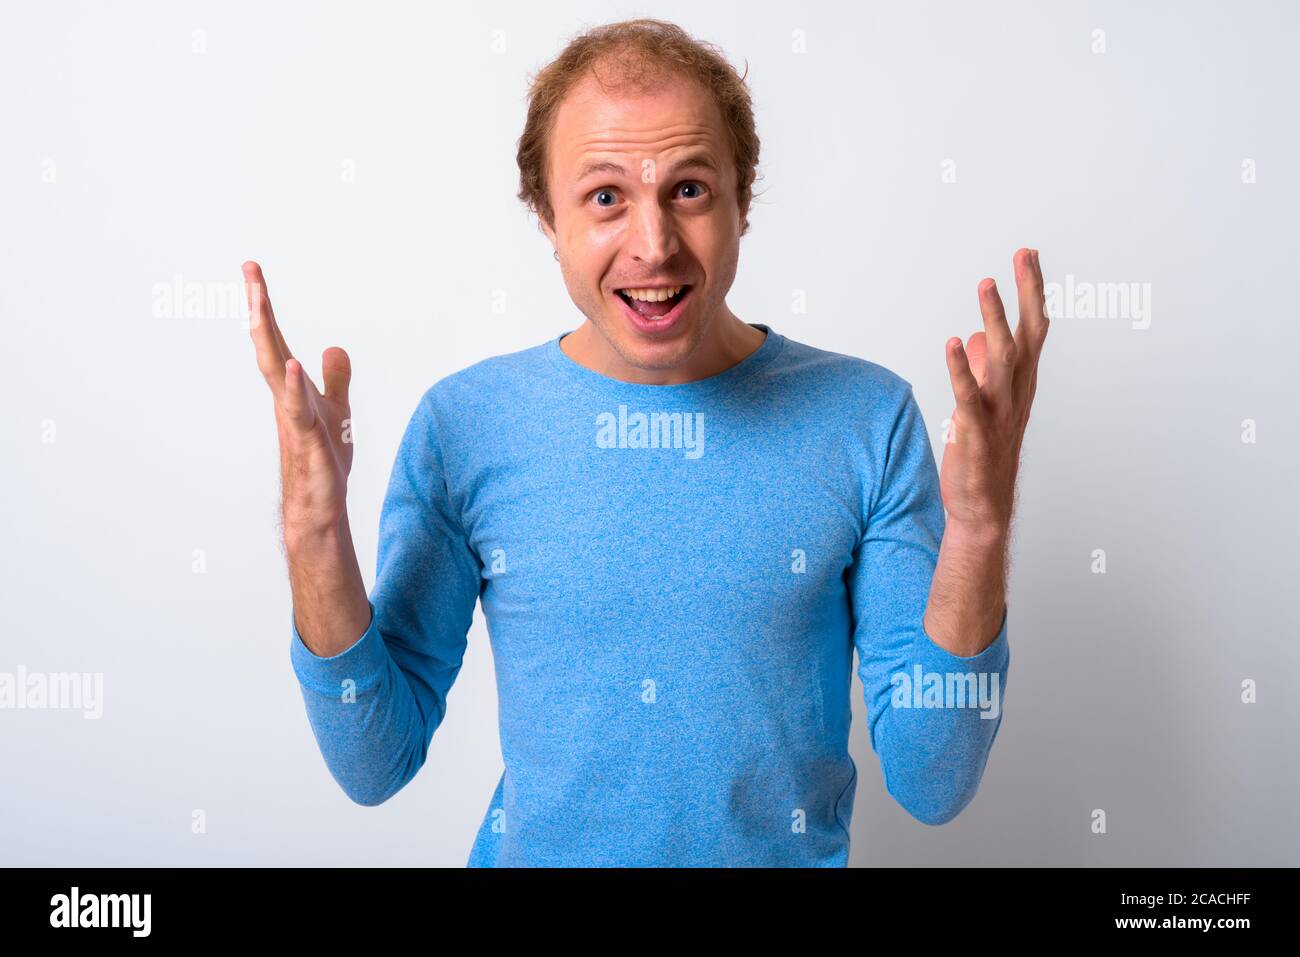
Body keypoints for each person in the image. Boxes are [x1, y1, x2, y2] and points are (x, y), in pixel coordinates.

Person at [245, 18, 1048, 866]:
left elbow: (933, 779)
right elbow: (375, 761)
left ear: (744, 199)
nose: (654, 244)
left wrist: (980, 529)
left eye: (690, 190)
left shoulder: (865, 417)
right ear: (546, 217)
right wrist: (312, 531)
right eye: (604, 197)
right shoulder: (465, 426)